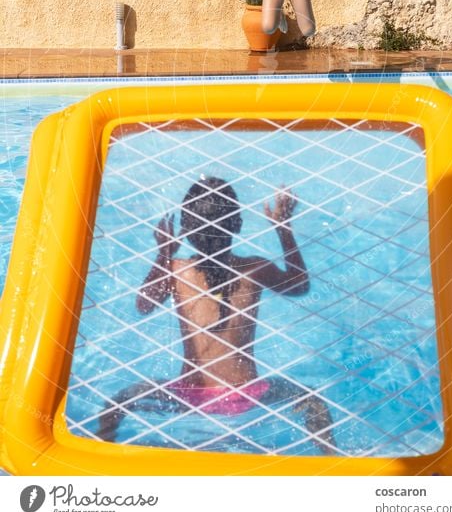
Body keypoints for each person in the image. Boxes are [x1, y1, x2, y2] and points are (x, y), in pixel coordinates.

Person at [97, 176, 336, 454]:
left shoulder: (176, 269)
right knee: (312, 400)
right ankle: (331, 455)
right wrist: (283, 228)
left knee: (118, 403)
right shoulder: (255, 268)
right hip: (245, 394)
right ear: (238, 225)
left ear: (185, 230)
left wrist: (163, 253)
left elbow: (144, 305)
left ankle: (102, 455)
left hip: (190, 395)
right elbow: (299, 286)